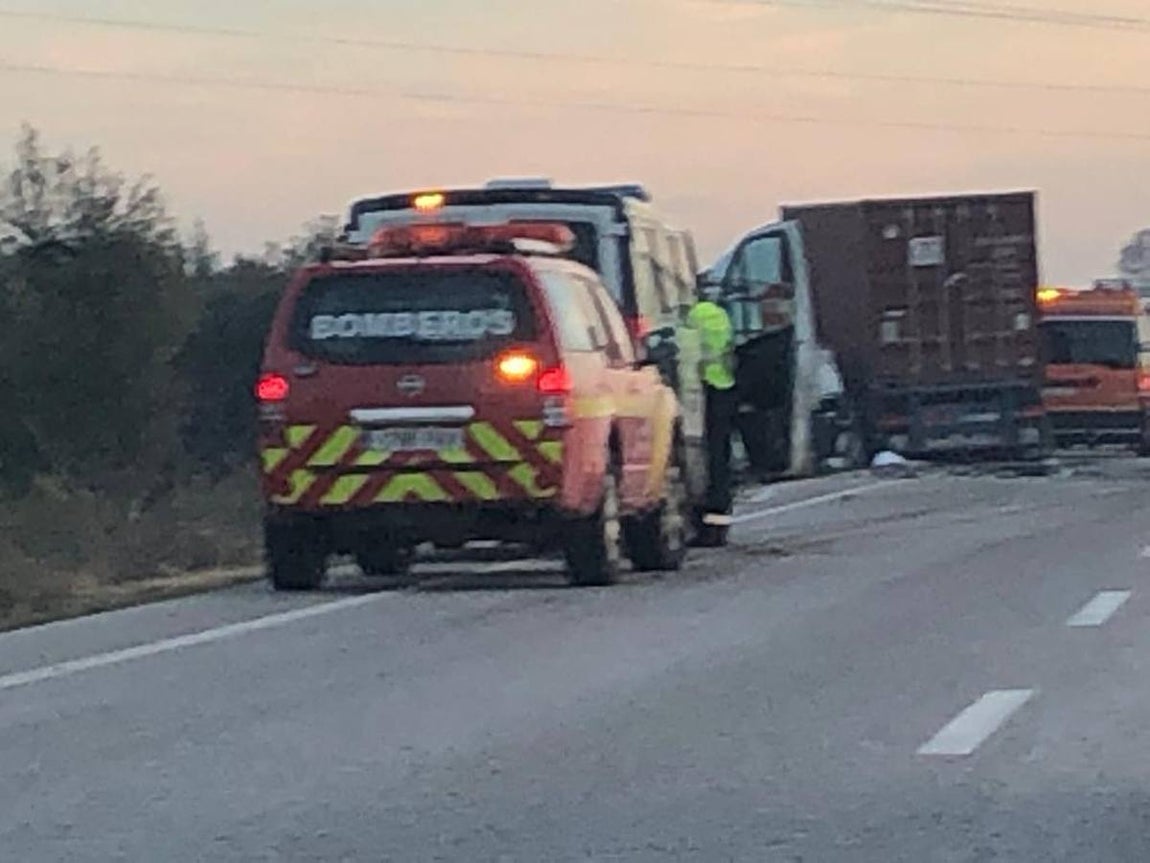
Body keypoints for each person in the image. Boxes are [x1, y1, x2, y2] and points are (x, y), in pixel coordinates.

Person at [687, 282, 737, 547]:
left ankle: (703, 526)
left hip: (700, 392)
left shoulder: (692, 317)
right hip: (724, 388)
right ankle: (718, 527)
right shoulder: (721, 315)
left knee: (701, 460)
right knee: (720, 461)